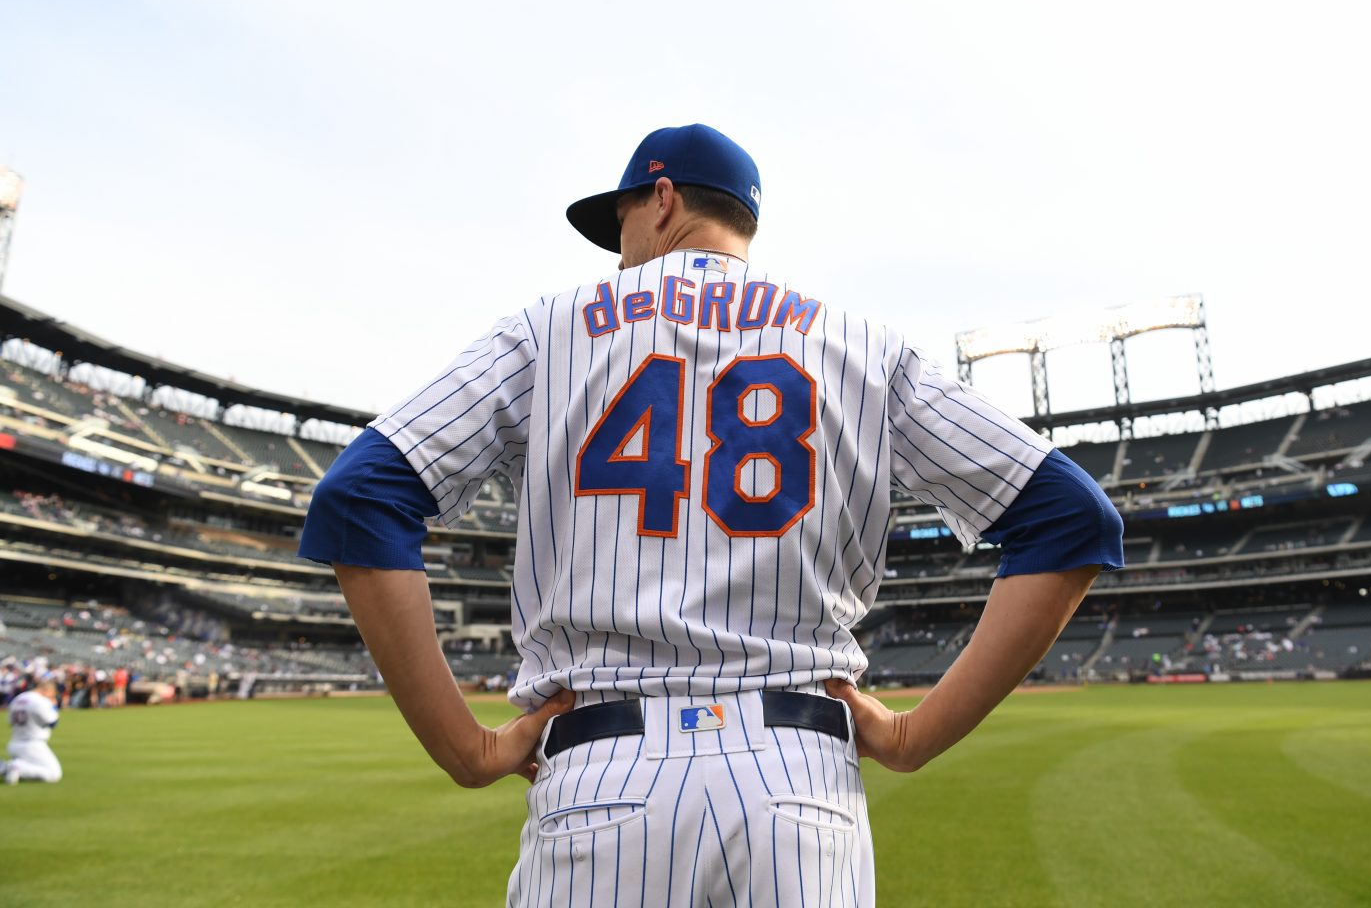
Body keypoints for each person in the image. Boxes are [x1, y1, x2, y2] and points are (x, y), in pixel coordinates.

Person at [299, 123, 1123, 905]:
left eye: (619, 222)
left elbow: (361, 496)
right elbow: (1069, 517)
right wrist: (915, 736)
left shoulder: (543, 332)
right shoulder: (862, 346)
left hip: (601, 773)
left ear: (660, 202)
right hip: (799, 781)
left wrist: (464, 748)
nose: (619, 251)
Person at [4, 676, 62, 784]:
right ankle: (15, 767)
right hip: (32, 745)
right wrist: (53, 706)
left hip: (15, 743)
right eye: (52, 695)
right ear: (47, 690)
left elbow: (10, 722)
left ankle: (4, 767)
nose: (51, 698)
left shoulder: (18, 698)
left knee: (32, 765)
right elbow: (52, 722)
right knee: (54, 773)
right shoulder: (39, 700)